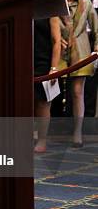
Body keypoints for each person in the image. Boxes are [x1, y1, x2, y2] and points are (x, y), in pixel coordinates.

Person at [56, 0, 98, 148]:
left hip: (80, 52)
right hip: (60, 51)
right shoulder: (58, 4)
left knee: (77, 92)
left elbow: (96, 27)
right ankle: (54, 128)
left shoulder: (85, 3)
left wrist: (96, 47)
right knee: (54, 93)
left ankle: (77, 132)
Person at [71, 0, 98, 117]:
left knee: (90, 85)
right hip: (72, 41)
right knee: (74, 87)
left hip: (92, 41)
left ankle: (87, 124)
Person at [33, 17, 61, 153]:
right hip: (23, 57)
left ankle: (42, 139)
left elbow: (57, 41)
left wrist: (54, 68)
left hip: (43, 61)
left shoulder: (50, 9)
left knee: (43, 102)